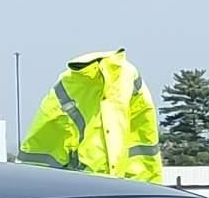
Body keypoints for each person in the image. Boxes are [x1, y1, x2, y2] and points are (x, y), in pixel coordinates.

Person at [20, 51, 164, 181]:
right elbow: (145, 139)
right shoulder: (127, 76)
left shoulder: (126, 77)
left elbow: (40, 152)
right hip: (110, 192)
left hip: (90, 193)